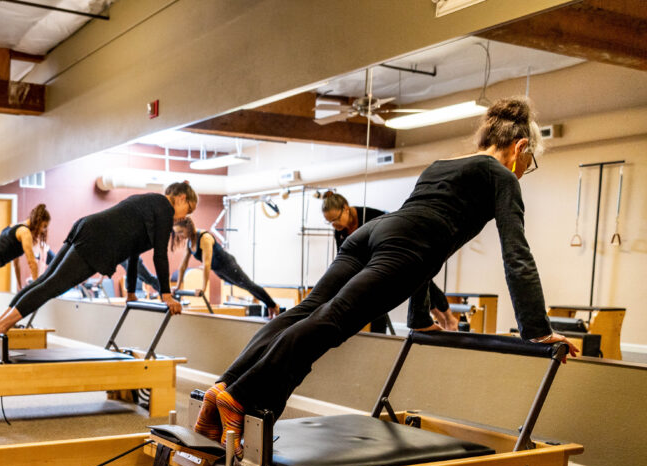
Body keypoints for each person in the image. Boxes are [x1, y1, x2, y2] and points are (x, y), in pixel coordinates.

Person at [193, 97, 577, 445]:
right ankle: (242, 398)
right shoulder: (501, 176)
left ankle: (225, 386)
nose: (527, 169)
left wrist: (419, 317)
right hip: (404, 246)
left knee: (308, 309)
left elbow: (427, 238)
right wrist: (536, 329)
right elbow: (515, 252)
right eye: (530, 161)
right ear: (520, 147)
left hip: (371, 233)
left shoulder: (442, 165)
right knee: (333, 320)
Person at [0, 183, 197, 353]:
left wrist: (130, 292)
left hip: (85, 226)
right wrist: (166, 295)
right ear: (181, 198)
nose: (186, 216)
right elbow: (160, 255)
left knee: (44, 281)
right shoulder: (164, 210)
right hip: (98, 242)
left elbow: (133, 253)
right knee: (53, 286)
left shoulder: (150, 202)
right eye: (189, 209)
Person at [320, 191, 457, 332]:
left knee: (422, 279)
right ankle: (437, 317)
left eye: (335, 219)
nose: (333, 225)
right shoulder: (340, 230)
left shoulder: (371, 216)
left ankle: (448, 318)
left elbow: (392, 232)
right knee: (381, 293)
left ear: (346, 208)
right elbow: (343, 256)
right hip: (375, 264)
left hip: (400, 247)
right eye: (329, 221)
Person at [171, 217, 279, 317]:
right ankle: (270, 305)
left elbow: (207, 264)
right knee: (245, 287)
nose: (179, 235)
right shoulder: (189, 242)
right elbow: (183, 266)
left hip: (228, 265)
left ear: (188, 228)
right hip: (219, 270)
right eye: (177, 233)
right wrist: (178, 285)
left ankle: (273, 305)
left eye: (181, 231)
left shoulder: (205, 238)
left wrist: (203, 288)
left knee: (248, 285)